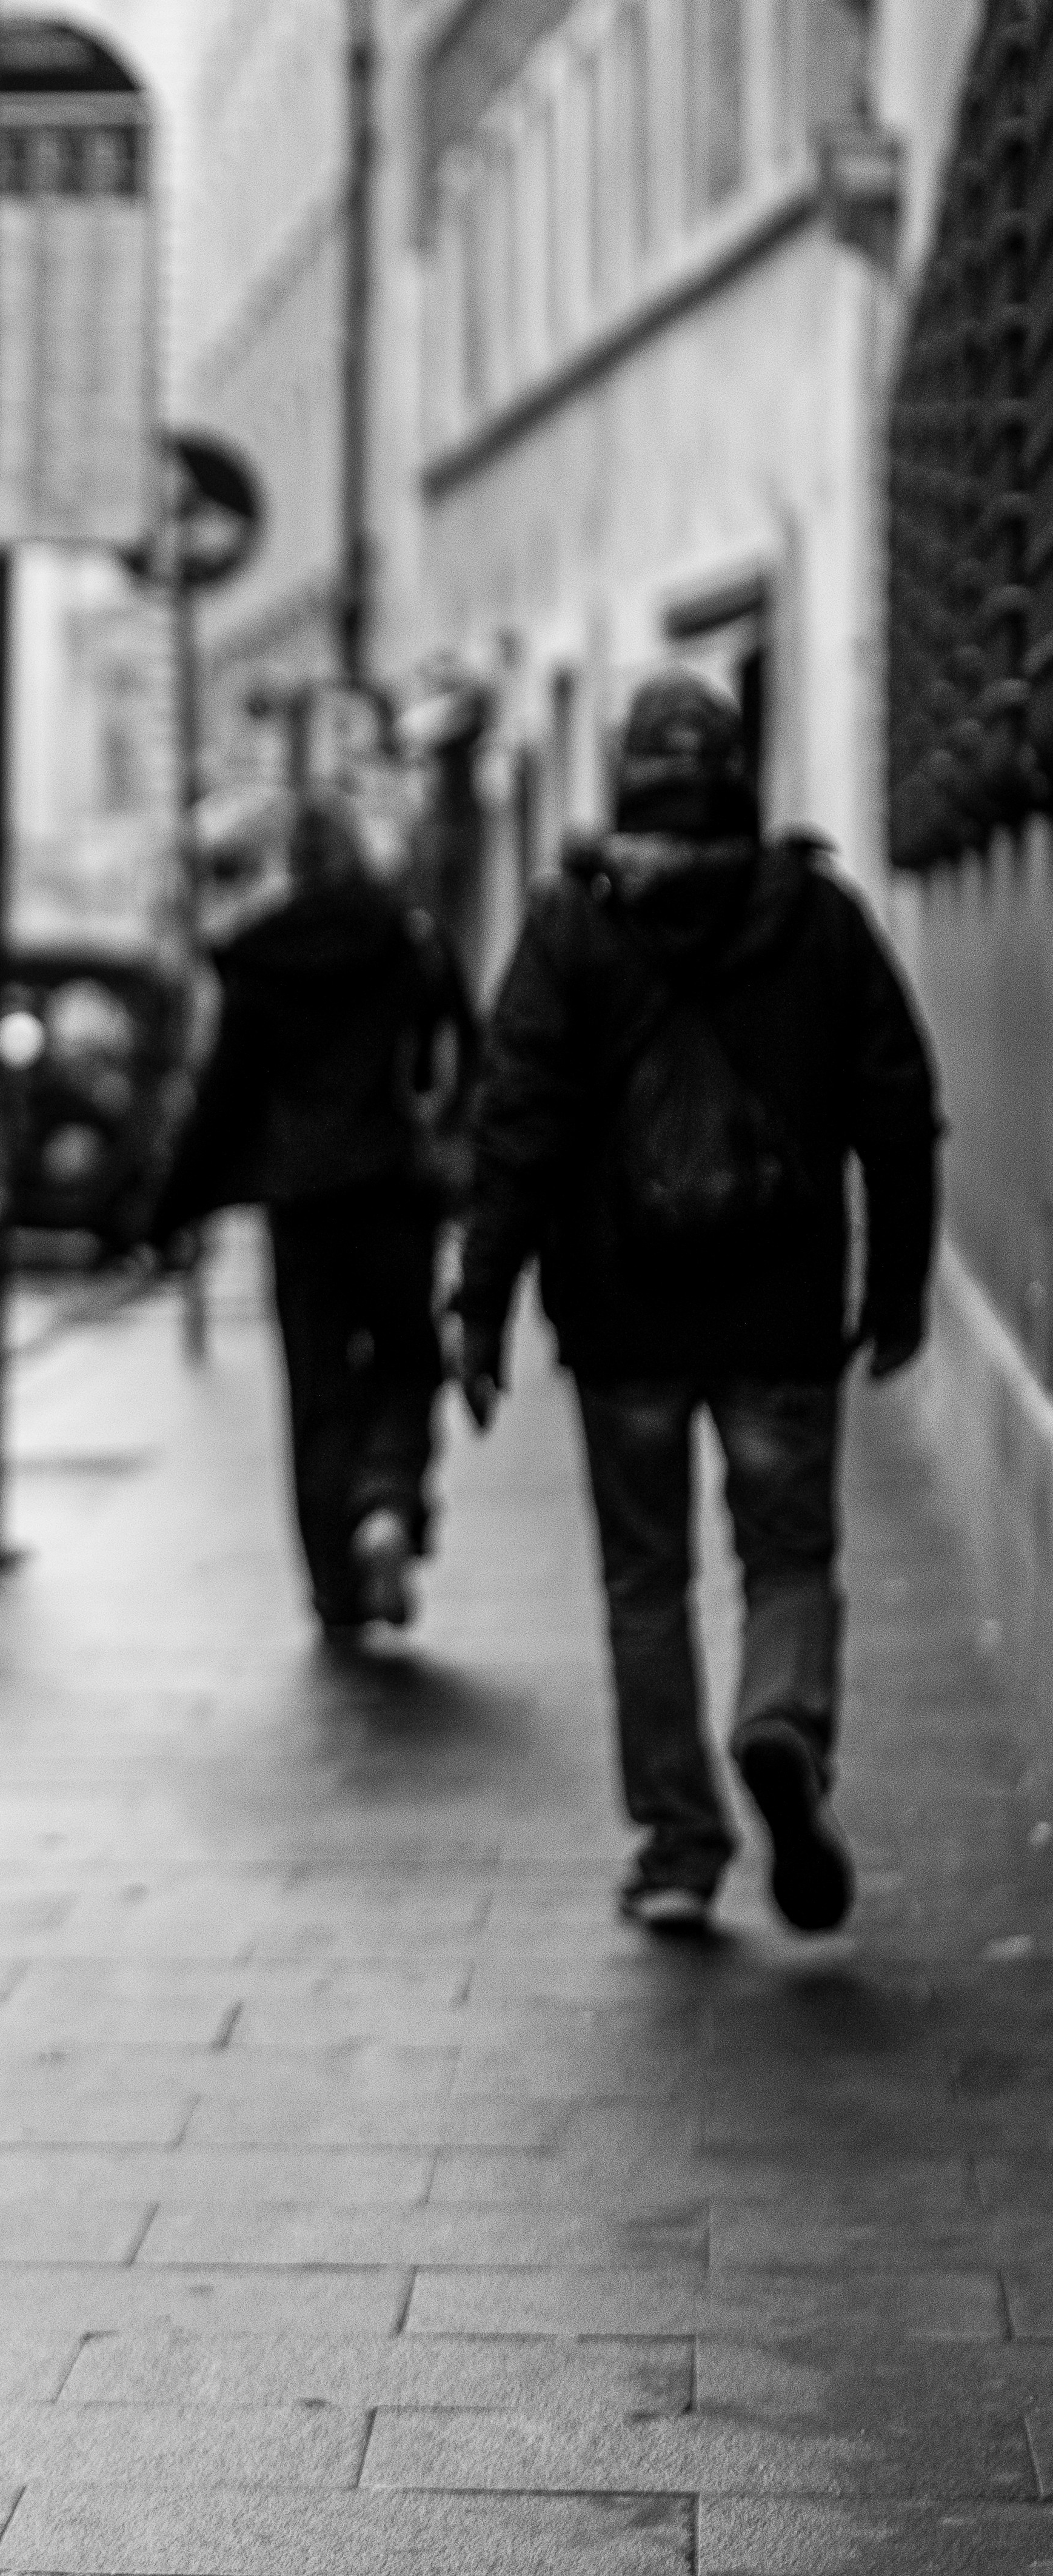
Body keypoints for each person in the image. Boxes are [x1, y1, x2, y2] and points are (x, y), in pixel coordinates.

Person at [455, 666, 940, 1940]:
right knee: (787, 1553)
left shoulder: (571, 923)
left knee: (644, 1581)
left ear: (624, 780)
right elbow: (898, 1105)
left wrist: (482, 1302)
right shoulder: (815, 914)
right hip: (781, 1308)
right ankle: (780, 1717)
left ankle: (678, 1844)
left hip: (621, 1315)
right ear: (739, 776)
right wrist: (897, 1285)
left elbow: (516, 1122)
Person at [148, 788, 477, 1640]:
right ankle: (389, 1500)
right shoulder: (406, 939)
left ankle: (337, 1586)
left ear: (290, 868)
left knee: (318, 1391)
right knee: (408, 1361)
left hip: (300, 1203)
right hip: (393, 1190)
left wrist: (165, 1212)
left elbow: (223, 1100)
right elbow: (459, 1056)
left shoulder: (259, 959)